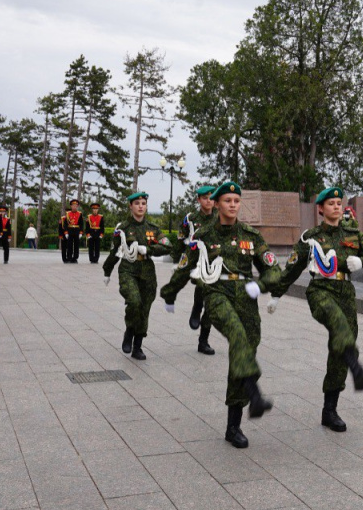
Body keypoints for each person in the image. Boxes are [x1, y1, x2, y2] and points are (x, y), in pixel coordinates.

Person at [165, 181, 279, 449]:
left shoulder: (251, 235)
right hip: (216, 293)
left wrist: (261, 285)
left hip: (246, 299)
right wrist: (169, 293)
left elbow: (274, 268)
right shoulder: (203, 235)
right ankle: (255, 394)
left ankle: (233, 426)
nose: (232, 205)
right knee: (237, 336)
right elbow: (185, 266)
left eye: (236, 201)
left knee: (245, 349)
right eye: (227, 200)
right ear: (216, 204)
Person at [269, 186, 363, 432]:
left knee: (339, 348)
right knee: (338, 324)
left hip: (345, 292)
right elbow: (292, 268)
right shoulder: (311, 237)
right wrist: (277, 294)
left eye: (339, 203)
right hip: (320, 290)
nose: (336, 206)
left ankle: (329, 410)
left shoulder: (353, 234)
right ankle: (356, 368)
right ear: (321, 209)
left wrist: (362, 261)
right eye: (331, 203)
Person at [102, 192, 171, 361]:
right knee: (134, 301)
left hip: (147, 271)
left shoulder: (153, 229)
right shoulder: (123, 229)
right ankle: (129, 331)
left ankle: (137, 346)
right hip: (128, 269)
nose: (141, 206)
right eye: (137, 203)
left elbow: (168, 246)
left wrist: (149, 249)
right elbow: (115, 251)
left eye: (143, 203)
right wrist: (107, 271)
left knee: (144, 308)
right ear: (130, 206)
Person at [160, 185, 216, 355]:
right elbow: (180, 238)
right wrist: (175, 260)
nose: (208, 201)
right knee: (198, 285)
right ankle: (197, 307)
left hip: (212, 261)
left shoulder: (220, 217)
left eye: (211, 198)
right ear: (198, 200)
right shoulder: (190, 218)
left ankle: (203, 341)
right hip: (192, 258)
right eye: (205, 198)